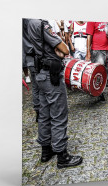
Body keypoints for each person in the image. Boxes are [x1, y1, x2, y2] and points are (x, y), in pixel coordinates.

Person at [27, 19, 83, 168]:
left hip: (39, 74)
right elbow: (64, 49)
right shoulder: (40, 23)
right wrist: (60, 48)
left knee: (44, 114)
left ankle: (46, 151)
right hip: (50, 75)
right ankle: (62, 156)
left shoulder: (27, 22)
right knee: (58, 115)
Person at [23, 18, 39, 122]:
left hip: (30, 55)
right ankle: (41, 112)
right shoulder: (30, 20)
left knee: (36, 86)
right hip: (35, 55)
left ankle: (39, 111)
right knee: (40, 86)